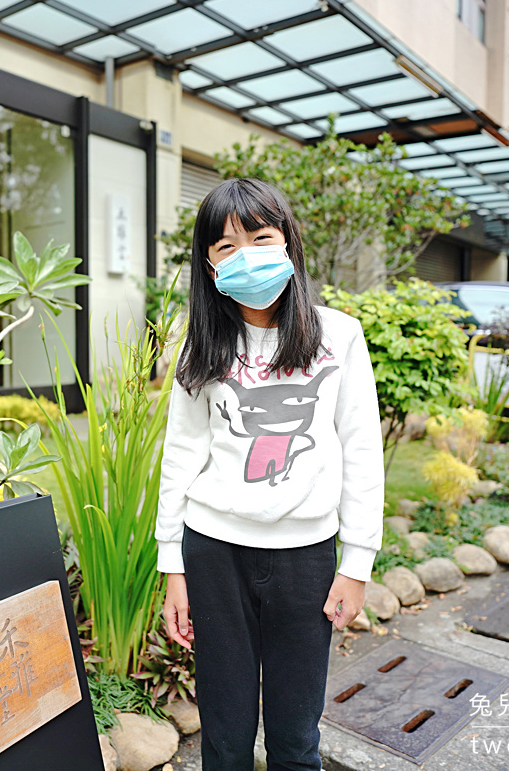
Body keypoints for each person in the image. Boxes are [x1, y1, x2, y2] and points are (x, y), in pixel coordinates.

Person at [157, 177, 384, 771]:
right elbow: (179, 455)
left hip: (306, 556)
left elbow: (362, 449)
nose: (247, 256)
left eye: (260, 238)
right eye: (226, 247)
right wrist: (171, 567)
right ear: (207, 266)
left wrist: (357, 562)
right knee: (225, 735)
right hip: (214, 553)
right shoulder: (202, 345)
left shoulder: (339, 336)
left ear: (288, 245)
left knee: (295, 733)